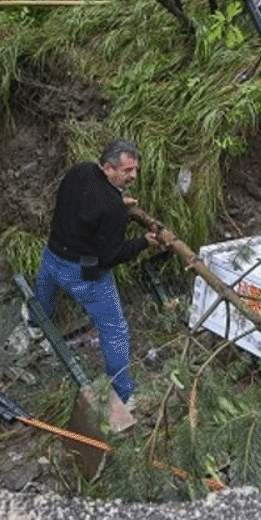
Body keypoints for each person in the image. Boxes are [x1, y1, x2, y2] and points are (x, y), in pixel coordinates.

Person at [34, 139, 160, 406]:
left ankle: (36, 324)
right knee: (114, 330)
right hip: (83, 273)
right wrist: (143, 243)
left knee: (45, 291)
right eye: (127, 171)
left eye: (135, 169)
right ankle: (123, 395)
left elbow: (88, 204)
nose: (134, 176)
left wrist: (118, 200)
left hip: (53, 255)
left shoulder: (80, 172)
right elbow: (110, 256)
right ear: (107, 168)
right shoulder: (111, 209)